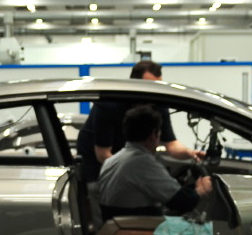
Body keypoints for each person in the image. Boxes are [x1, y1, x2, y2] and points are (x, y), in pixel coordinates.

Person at [75, 60, 203, 182]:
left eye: (158, 86)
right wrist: (138, 172)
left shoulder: (157, 104)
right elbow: (103, 154)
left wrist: (190, 153)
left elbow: (172, 145)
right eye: (150, 86)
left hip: (129, 161)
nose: (155, 91)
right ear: (135, 84)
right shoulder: (109, 104)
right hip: (98, 167)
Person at [98, 104, 212, 220]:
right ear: (154, 134)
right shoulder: (143, 163)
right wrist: (200, 190)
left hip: (120, 224)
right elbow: (182, 202)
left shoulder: (112, 161)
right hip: (138, 227)